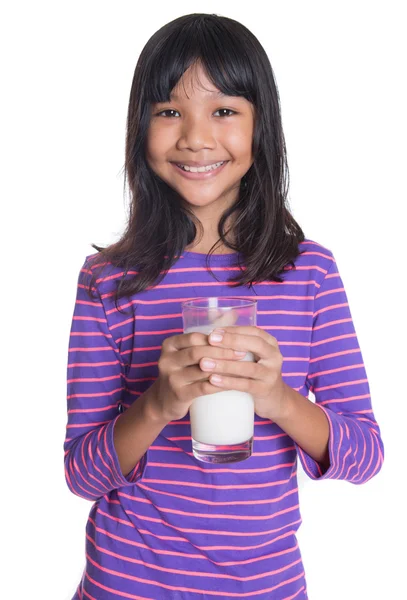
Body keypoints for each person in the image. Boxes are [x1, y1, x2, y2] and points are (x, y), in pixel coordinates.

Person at [64, 13, 384, 600]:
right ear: (140, 129)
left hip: (264, 587)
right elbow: (82, 473)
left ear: (261, 126)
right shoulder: (107, 279)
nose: (195, 137)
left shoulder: (309, 272)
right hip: (127, 583)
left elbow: (364, 455)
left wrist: (277, 398)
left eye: (224, 110)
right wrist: (159, 402)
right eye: (168, 112)